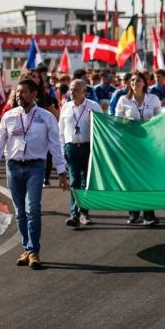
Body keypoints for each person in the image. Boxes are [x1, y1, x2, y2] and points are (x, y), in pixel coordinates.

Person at [0, 78, 69, 269]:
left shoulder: (46, 117)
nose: (18, 95)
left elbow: (55, 145)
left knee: (33, 209)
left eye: (23, 91)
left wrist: (61, 172)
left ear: (33, 94)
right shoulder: (9, 116)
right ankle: (26, 249)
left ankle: (33, 251)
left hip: (36, 167)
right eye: (17, 91)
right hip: (13, 167)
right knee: (20, 212)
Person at [115, 71, 162, 226]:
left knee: (147, 178)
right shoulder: (123, 100)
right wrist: (126, 121)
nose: (135, 82)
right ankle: (133, 212)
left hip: (149, 144)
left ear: (144, 83)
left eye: (138, 80)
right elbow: (117, 121)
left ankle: (149, 214)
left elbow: (160, 118)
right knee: (131, 178)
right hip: (130, 145)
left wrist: (152, 121)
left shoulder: (153, 98)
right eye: (132, 80)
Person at [59, 79, 103, 227]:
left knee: (86, 182)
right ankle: (74, 214)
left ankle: (84, 212)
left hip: (88, 147)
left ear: (84, 92)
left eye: (76, 89)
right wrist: (62, 150)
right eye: (71, 89)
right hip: (71, 148)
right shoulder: (66, 107)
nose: (72, 92)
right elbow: (61, 131)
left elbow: (102, 127)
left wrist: (93, 118)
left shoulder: (94, 106)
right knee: (75, 181)